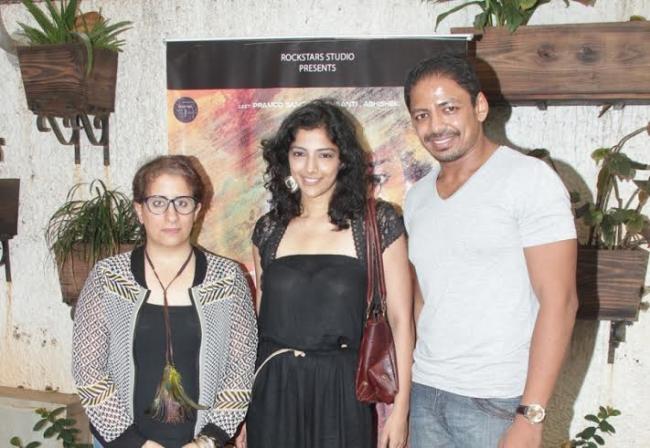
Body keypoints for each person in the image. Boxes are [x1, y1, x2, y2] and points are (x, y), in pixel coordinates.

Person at [402, 53, 578, 448]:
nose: (436, 125)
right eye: (422, 115)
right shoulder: (417, 198)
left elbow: (560, 302)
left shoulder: (528, 179)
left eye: (449, 108)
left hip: (497, 402)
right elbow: (423, 299)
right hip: (426, 393)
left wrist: (531, 415)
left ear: (479, 106)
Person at [239, 99, 414, 448]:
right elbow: (259, 325)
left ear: (343, 159)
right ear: (285, 158)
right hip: (272, 390)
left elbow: (401, 322)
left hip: (342, 391)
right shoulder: (268, 229)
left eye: (325, 155)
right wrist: (241, 409)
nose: (311, 168)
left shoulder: (377, 223)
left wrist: (400, 411)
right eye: (299, 153)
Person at [72, 155, 258, 448]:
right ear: (139, 210)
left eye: (182, 203)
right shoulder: (108, 278)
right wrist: (135, 443)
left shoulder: (227, 278)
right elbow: (88, 371)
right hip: (122, 443)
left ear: (197, 210)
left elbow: (240, 370)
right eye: (158, 203)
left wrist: (207, 441)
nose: (171, 216)